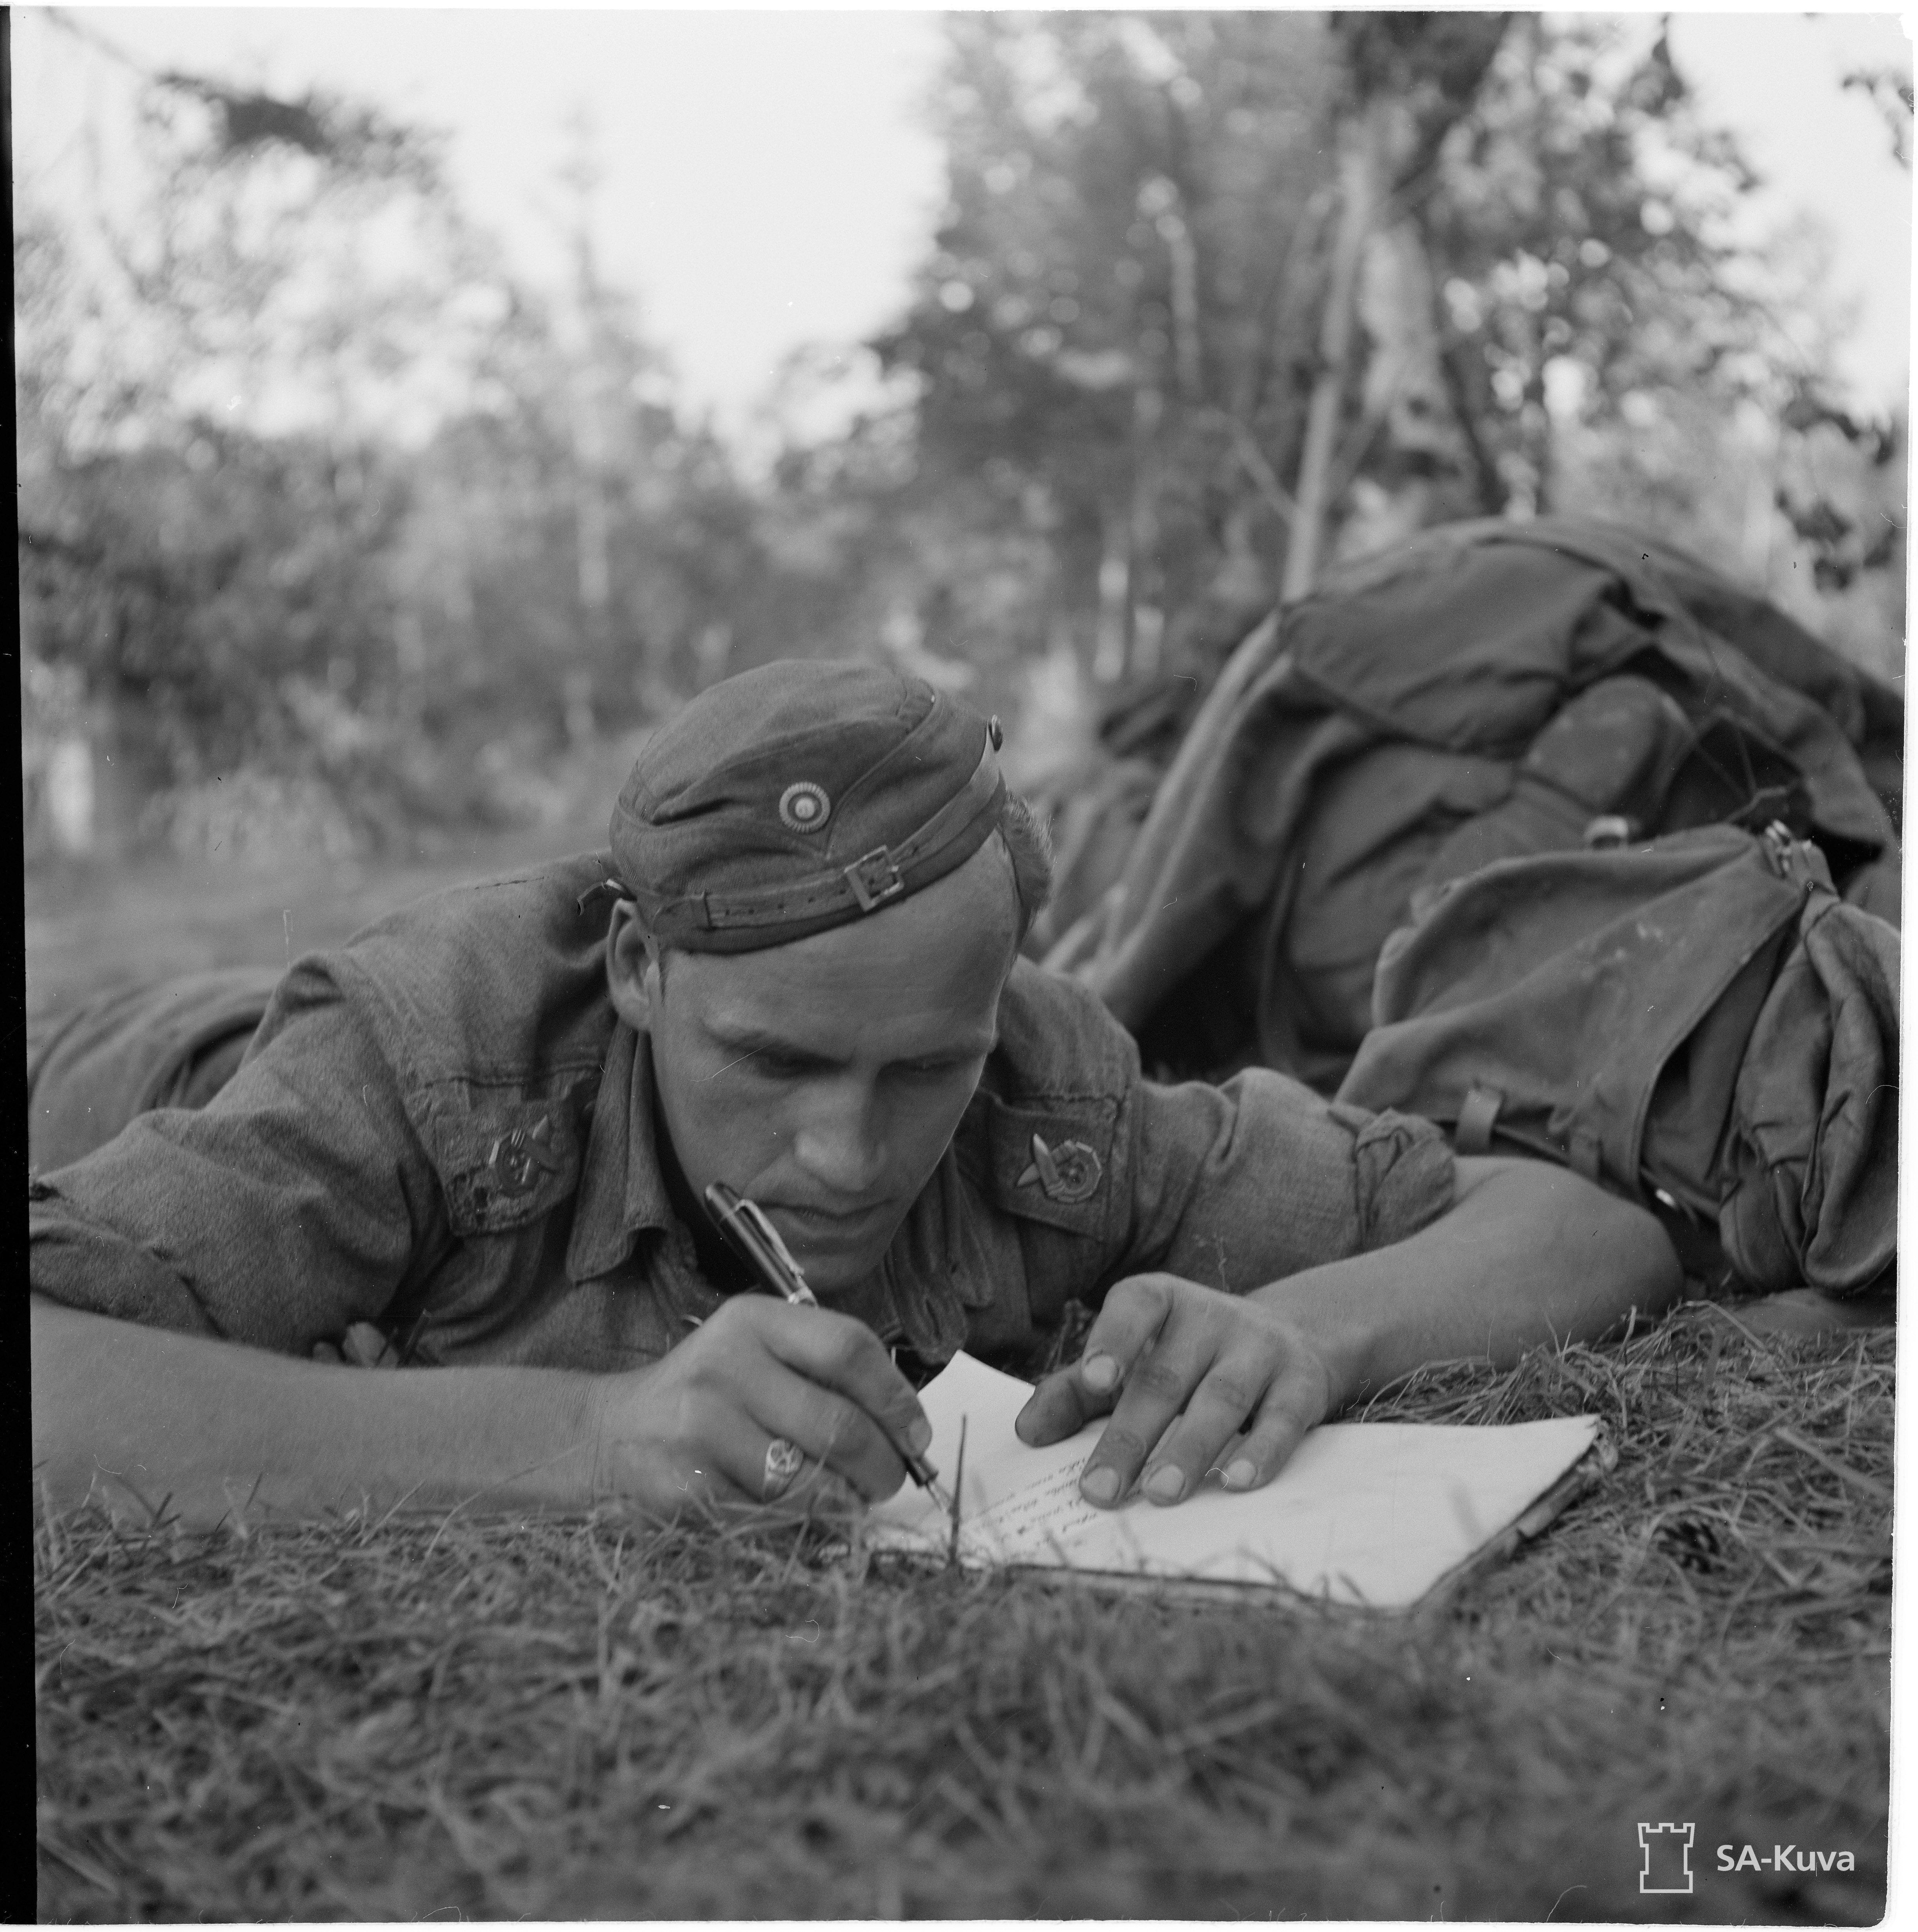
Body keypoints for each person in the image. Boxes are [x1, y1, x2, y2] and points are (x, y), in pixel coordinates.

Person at [30, 660, 1680, 1528]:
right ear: (636, 969)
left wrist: (1320, 1327)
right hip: (124, 1064)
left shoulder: (1047, 1096)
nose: (843, 1149)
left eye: (921, 1069)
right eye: (773, 1061)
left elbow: (1579, 1219)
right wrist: (579, 1437)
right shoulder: (424, 1060)